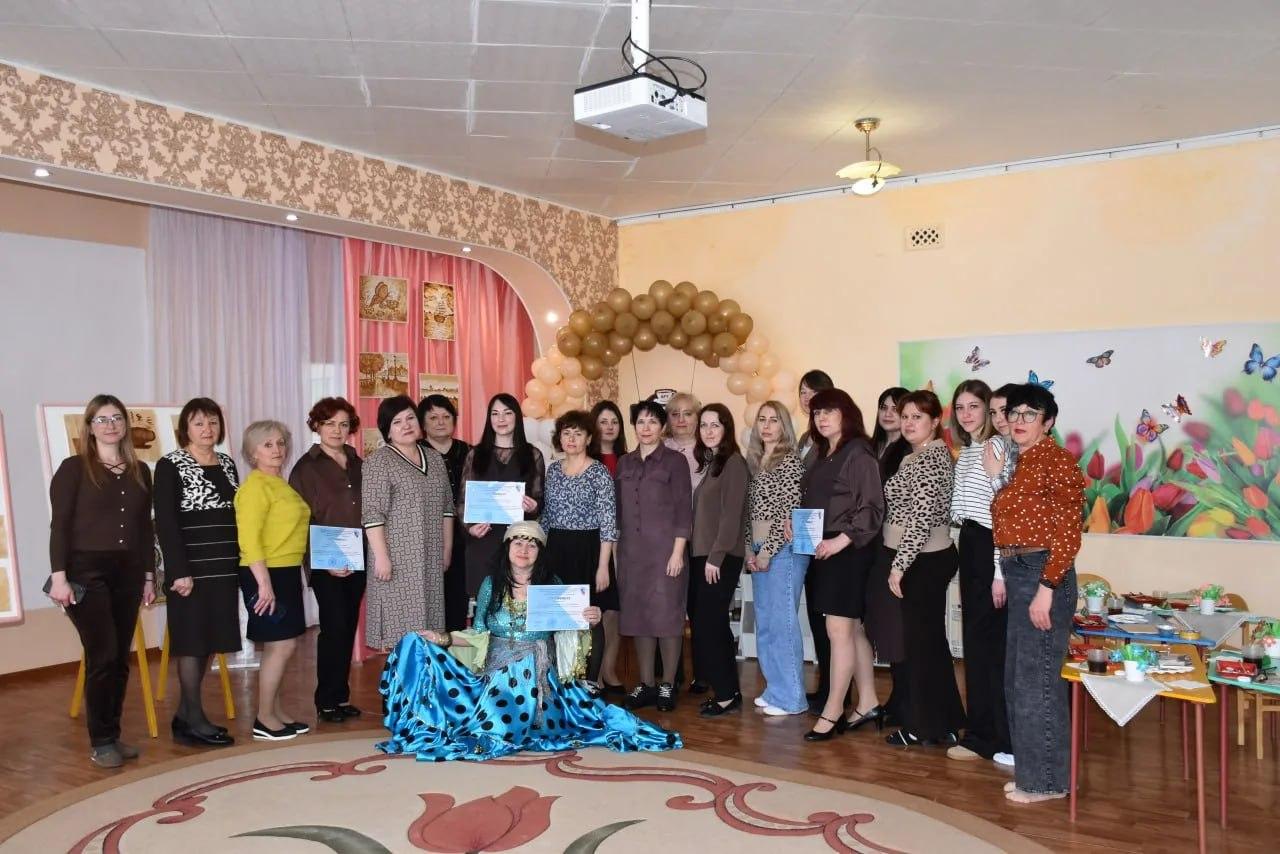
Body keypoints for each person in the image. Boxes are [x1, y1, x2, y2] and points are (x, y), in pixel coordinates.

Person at [377, 523, 681, 760]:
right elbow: (479, 634)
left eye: (532, 544)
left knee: (554, 719)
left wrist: (589, 618)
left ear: (540, 552)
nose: (524, 549)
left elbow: (570, 636)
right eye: (518, 543)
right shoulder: (491, 585)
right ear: (508, 548)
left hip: (539, 676)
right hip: (495, 675)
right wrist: (441, 638)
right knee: (417, 647)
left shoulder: (553, 586)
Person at [47, 395, 156, 767]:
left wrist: (148, 575)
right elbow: (60, 526)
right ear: (90, 427)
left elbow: (144, 529)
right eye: (102, 419)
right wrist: (59, 578)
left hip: (128, 572)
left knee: (120, 658)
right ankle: (101, 741)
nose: (111, 425)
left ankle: (113, 733)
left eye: (117, 418)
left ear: (125, 425)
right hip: (85, 572)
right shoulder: (74, 469)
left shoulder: (140, 470)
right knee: (103, 654)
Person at [991, 384, 1085, 805]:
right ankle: (1034, 773)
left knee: (1038, 683)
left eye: (1030, 414)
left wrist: (1046, 589)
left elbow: (1068, 534)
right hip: (1019, 571)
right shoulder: (1019, 461)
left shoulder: (1057, 461)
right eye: (1014, 413)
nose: (1018, 421)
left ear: (1048, 423)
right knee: (1019, 680)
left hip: (1043, 574)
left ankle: (1047, 782)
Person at [871, 390, 965, 747]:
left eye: (917, 417)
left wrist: (898, 568)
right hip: (922, 559)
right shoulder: (921, 455)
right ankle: (944, 721)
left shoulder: (929, 459)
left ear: (935, 421)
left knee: (920, 646)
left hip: (921, 561)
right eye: (905, 416)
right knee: (930, 644)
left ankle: (923, 726)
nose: (909, 423)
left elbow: (920, 521)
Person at [797, 389, 885, 742]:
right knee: (852, 630)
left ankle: (832, 711)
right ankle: (869, 701)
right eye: (817, 412)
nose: (821, 418)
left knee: (838, 630)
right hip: (824, 547)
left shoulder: (858, 452)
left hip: (848, 549)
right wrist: (795, 522)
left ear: (846, 414)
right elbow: (819, 500)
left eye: (829, 411)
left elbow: (872, 508)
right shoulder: (823, 453)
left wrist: (840, 541)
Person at [154, 397, 239, 748]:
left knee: (209, 642)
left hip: (224, 566)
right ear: (185, 429)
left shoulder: (228, 463)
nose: (208, 429)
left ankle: (184, 717)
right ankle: (195, 718)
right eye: (199, 423)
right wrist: (178, 571)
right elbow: (166, 522)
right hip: (190, 569)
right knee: (191, 641)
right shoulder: (170, 464)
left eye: (213, 422)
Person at [946, 380, 1013, 766]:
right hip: (971, 544)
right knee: (976, 645)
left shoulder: (996, 447)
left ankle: (996, 737)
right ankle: (981, 732)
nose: (966, 414)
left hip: (991, 548)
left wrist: (999, 572)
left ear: (988, 409)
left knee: (990, 648)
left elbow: (1003, 514)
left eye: (974, 406)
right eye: (960, 407)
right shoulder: (969, 450)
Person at [290, 397, 366, 724]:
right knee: (333, 628)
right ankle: (325, 700)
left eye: (343, 424)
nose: (337, 430)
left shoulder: (358, 462)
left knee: (347, 627)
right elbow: (299, 521)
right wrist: (323, 561)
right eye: (330, 423)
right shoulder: (306, 468)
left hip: (358, 557)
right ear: (317, 426)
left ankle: (341, 696)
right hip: (325, 562)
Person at [235, 420, 311, 741]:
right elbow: (249, 539)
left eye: (280, 443)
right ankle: (264, 718)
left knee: (282, 645)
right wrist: (264, 583)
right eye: (267, 445)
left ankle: (274, 712)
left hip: (286, 570)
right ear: (253, 453)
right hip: (265, 573)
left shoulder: (279, 483)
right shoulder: (255, 488)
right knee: (281, 644)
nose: (277, 449)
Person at [616, 399, 693, 713]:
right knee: (639, 618)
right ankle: (646, 683)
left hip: (666, 553)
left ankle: (667, 684)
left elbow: (684, 509)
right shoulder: (625, 463)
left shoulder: (675, 461)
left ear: (662, 427)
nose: (645, 428)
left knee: (667, 618)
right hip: (631, 554)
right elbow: (618, 512)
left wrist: (678, 552)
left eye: (652, 422)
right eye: (640, 422)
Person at [362, 395, 454, 650]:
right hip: (395, 559)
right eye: (397, 422)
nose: (406, 425)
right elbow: (372, 515)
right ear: (387, 430)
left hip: (430, 557)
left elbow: (447, 509)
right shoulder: (378, 462)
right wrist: (382, 557)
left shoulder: (434, 459)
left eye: (410, 418)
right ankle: (400, 676)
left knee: (430, 632)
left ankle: (423, 676)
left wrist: (446, 549)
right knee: (399, 634)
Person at [539, 410, 617, 693]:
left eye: (578, 433)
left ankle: (591, 681)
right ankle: (560, 679)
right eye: (566, 433)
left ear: (589, 438)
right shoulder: (552, 471)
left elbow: (608, 522)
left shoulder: (599, 472)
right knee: (557, 615)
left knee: (590, 616)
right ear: (559, 438)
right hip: (556, 550)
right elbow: (546, 518)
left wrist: (603, 566)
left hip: (589, 550)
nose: (571, 439)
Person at [744, 401, 809, 716]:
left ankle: (792, 698)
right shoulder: (756, 461)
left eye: (774, 420)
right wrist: (750, 550)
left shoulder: (791, 461)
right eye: (762, 420)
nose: (767, 426)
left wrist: (767, 551)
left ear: (785, 426)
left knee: (782, 623)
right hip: (759, 549)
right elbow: (750, 513)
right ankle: (775, 690)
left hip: (782, 551)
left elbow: (789, 512)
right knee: (766, 623)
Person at [690, 404, 750, 717]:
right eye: (704, 425)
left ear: (727, 428)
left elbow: (731, 516)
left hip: (720, 557)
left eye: (715, 424)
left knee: (710, 624)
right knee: (712, 624)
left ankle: (726, 694)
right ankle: (729, 690)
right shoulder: (712, 464)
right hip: (705, 555)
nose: (709, 430)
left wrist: (715, 557)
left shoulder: (734, 463)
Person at [459, 393, 545, 596]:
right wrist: (470, 528)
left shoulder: (533, 455)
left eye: (507, 413)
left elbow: (539, 501)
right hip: (483, 541)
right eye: (495, 414)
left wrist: (534, 506)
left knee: (517, 601)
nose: (501, 419)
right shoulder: (475, 454)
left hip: (519, 545)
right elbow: (463, 501)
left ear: (517, 417)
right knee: (482, 603)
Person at [796, 369, 834, 711]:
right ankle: (825, 686)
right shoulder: (804, 438)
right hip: (806, 534)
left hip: (830, 539)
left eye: (814, 392)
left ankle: (836, 691)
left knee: (830, 620)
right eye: (803, 392)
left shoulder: (832, 440)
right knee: (814, 614)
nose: (807, 398)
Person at [418, 394, 471, 632]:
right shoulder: (414, 453)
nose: (440, 422)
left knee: (458, 602)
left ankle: (454, 650)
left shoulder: (470, 452)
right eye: (433, 417)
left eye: (446, 416)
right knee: (427, 603)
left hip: (468, 538)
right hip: (426, 538)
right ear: (422, 423)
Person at [588, 400, 628, 691]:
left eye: (614, 421)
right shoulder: (586, 460)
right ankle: (595, 672)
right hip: (595, 543)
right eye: (603, 421)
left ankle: (610, 670)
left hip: (625, 542)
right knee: (597, 609)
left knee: (616, 610)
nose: (609, 427)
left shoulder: (628, 460)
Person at [872, 387, 911, 482]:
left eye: (895, 409)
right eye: (884, 408)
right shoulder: (867, 446)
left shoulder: (910, 452)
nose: (887, 414)